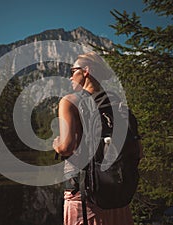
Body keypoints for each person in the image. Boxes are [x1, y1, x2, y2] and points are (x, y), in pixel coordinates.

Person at [53, 51, 136, 225]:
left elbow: (66, 148)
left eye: (72, 71)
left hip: (84, 196)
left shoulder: (69, 102)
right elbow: (138, 152)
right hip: (117, 195)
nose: (69, 78)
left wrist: (56, 144)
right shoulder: (118, 105)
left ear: (86, 71)